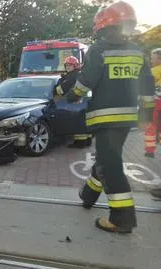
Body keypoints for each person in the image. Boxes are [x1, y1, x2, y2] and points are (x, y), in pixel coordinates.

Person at [67, 1, 156, 233]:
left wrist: (72, 95)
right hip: (127, 120)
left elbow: (86, 81)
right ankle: (88, 195)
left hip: (104, 119)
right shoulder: (137, 52)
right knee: (108, 157)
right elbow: (148, 84)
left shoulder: (98, 49)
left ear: (102, 26)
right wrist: (146, 113)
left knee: (110, 164)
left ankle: (122, 218)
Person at [54, 56, 92, 148]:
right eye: (66, 65)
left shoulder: (72, 76)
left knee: (76, 122)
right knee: (83, 122)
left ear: (75, 66)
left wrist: (57, 87)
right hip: (82, 101)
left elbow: (62, 90)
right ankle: (87, 140)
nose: (68, 67)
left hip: (74, 101)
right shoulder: (78, 74)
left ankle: (80, 143)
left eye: (70, 65)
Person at [144, 48, 161, 159]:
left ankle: (150, 151)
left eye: (152, 58)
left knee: (151, 126)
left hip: (155, 103)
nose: (151, 60)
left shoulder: (154, 71)